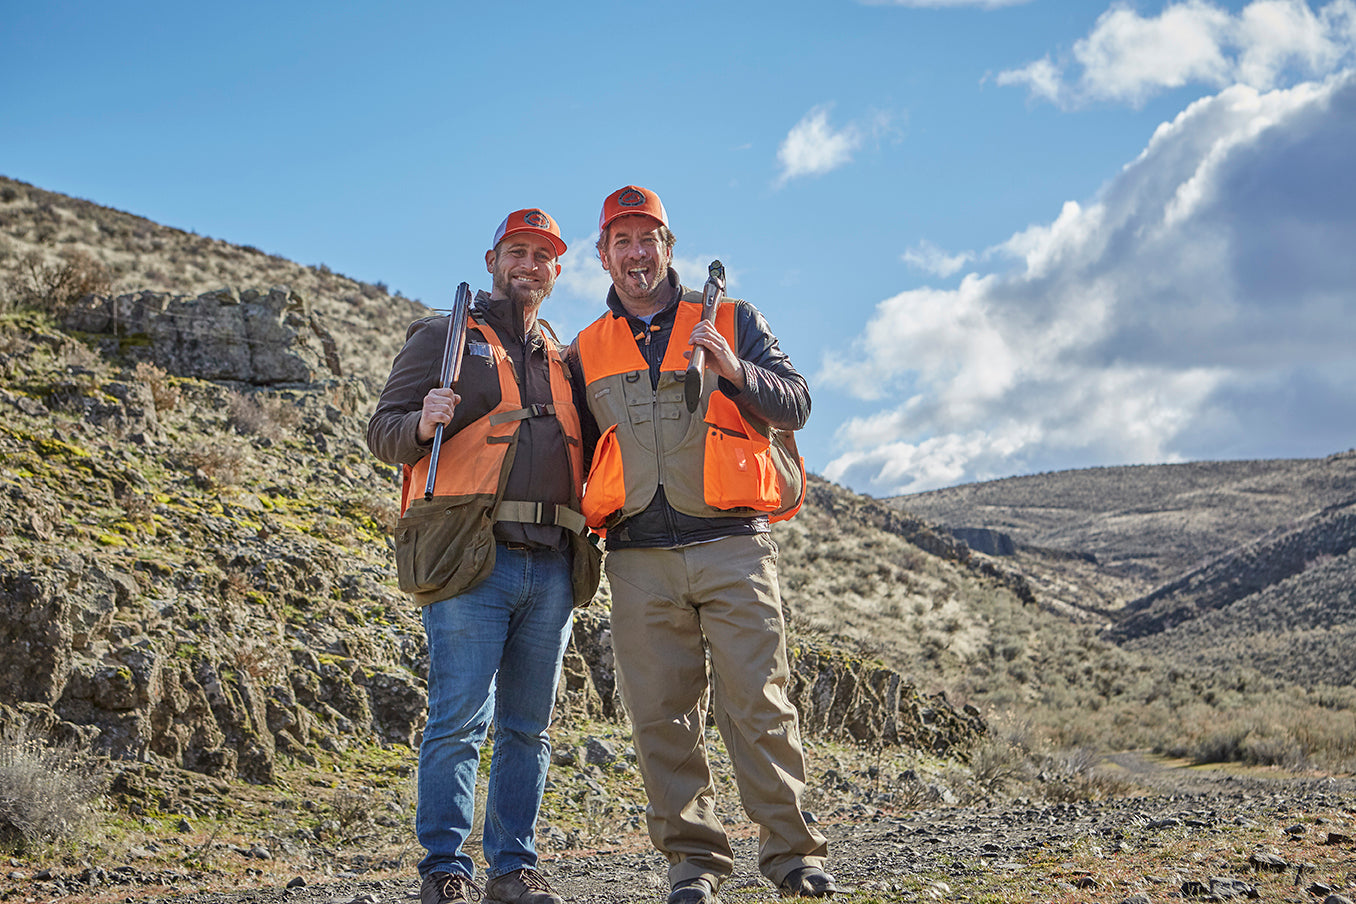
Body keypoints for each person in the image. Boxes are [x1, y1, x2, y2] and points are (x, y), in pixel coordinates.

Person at [567, 186, 835, 903]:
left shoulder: (732, 318)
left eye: (647, 238)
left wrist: (735, 369)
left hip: (733, 546)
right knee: (661, 716)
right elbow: (578, 455)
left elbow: (798, 403)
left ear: (668, 247)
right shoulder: (585, 349)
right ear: (602, 256)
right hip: (637, 558)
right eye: (620, 240)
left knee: (759, 704)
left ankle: (792, 857)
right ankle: (692, 866)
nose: (635, 252)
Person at [367, 208, 599, 904]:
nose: (529, 266)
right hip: (472, 558)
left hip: (554, 563)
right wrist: (421, 422)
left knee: (528, 728)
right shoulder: (444, 337)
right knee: (459, 721)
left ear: (557, 272)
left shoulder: (564, 358)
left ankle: (513, 870)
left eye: (543, 256)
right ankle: (444, 870)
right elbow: (383, 432)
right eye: (517, 253)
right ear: (494, 260)